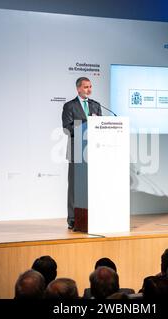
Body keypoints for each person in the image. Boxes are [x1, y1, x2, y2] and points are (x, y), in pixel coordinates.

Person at [62, 77, 102, 230]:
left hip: (94, 152)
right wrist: (86, 125)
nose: (89, 89)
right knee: (74, 186)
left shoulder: (96, 105)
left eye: (90, 86)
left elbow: (101, 127)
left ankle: (91, 216)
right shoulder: (69, 106)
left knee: (91, 186)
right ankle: (72, 219)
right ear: (78, 89)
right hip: (76, 150)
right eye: (86, 87)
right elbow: (67, 128)